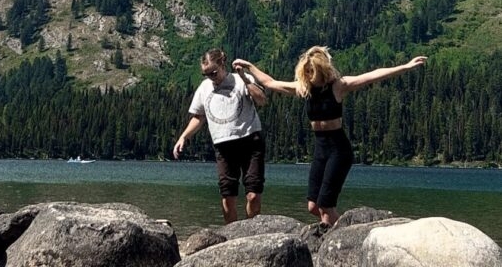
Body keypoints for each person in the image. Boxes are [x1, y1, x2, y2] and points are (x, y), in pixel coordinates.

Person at [233, 47, 427, 230]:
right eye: (306, 71)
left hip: (338, 150)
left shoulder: (338, 86)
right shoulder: (304, 89)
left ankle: (339, 237)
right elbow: (270, 83)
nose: (309, 75)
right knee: (312, 206)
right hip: (320, 149)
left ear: (322, 69)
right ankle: (343, 231)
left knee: (326, 206)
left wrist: (406, 66)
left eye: (312, 70)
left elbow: (372, 76)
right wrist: (250, 67)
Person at [173, 48, 267, 223]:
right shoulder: (204, 88)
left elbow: (262, 100)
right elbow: (199, 117)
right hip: (223, 146)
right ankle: (231, 236)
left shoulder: (240, 80)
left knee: (253, 195)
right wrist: (184, 137)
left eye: (213, 73)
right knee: (227, 197)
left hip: (250, 140)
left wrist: (246, 79)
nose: (211, 77)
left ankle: (251, 231)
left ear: (223, 64)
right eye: (206, 74)